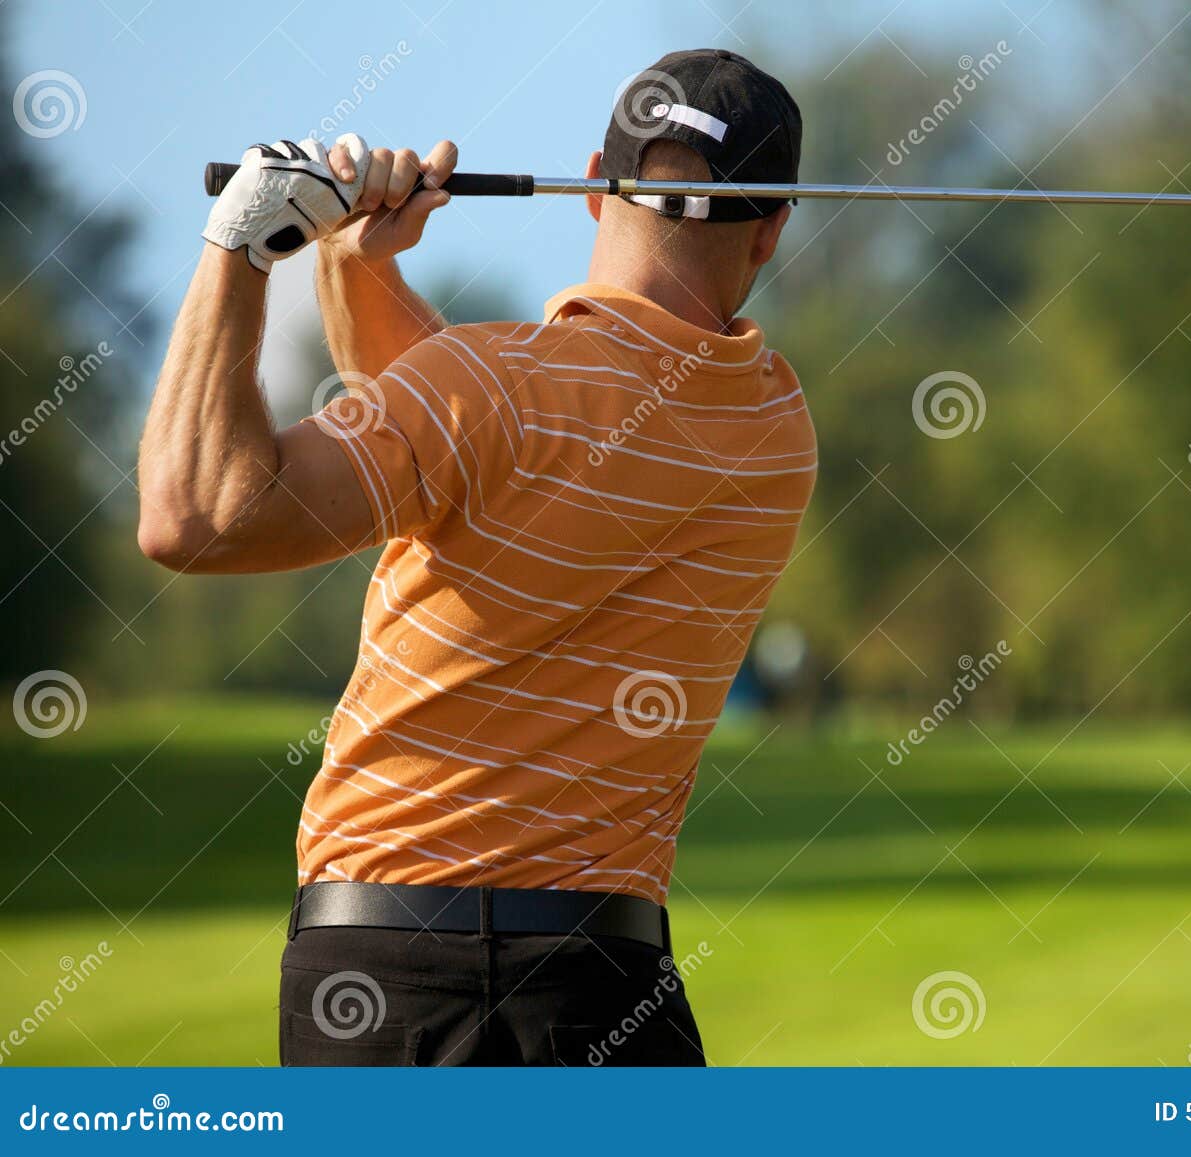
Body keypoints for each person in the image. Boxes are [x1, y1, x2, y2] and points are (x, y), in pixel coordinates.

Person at [136, 49, 812, 1066]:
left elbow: (195, 515)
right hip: (603, 987)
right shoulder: (774, 427)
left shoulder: (485, 388)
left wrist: (242, 242)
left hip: (380, 975)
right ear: (772, 227)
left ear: (595, 182)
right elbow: (470, 448)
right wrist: (357, 264)